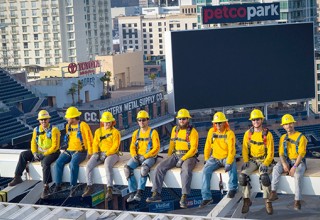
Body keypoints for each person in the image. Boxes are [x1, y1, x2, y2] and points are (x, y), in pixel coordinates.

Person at [146, 108, 199, 209]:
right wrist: (168, 157)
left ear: (188, 119)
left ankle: (184, 196)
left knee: (186, 171)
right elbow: (171, 144)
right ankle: (156, 193)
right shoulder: (175, 129)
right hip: (176, 155)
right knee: (159, 167)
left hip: (188, 156)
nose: (181, 121)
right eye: (180, 119)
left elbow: (193, 149)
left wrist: (183, 159)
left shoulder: (193, 132)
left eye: (183, 119)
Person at [8, 110, 61, 199]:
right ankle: (17, 177)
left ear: (48, 120)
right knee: (23, 154)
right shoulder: (36, 130)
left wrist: (44, 154)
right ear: (39, 121)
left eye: (45, 119)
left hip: (52, 153)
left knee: (45, 163)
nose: (43, 121)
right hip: (39, 152)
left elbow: (55, 146)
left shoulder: (54, 130)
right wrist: (34, 153)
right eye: (41, 120)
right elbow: (33, 143)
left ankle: (46, 187)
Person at [199, 112, 238, 208]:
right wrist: (206, 158)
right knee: (205, 171)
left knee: (232, 168)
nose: (218, 125)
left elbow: (231, 150)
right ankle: (206, 197)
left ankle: (233, 188)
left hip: (226, 157)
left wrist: (228, 162)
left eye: (220, 123)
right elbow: (207, 146)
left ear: (225, 123)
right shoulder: (211, 132)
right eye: (216, 123)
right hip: (215, 158)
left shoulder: (229, 133)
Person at [239, 109, 274, 215]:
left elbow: (271, 152)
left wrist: (266, 163)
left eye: (257, 119)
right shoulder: (248, 134)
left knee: (264, 177)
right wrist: (245, 160)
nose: (255, 122)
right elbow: (245, 149)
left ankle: (267, 201)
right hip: (252, 160)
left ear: (261, 120)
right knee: (242, 176)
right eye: (253, 120)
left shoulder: (267, 134)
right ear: (251, 121)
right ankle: (246, 200)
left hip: (264, 160)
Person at [269, 114, 307, 210]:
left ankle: (297, 201)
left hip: (299, 162)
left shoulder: (301, 137)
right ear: (283, 126)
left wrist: (294, 167)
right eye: (286, 124)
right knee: (276, 168)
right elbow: (281, 154)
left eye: (290, 123)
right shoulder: (283, 137)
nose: (288, 126)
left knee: (298, 175)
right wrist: (284, 164)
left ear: (293, 124)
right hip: (287, 160)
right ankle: (273, 192)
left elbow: (301, 154)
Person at [53, 106, 93, 197]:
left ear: (73, 117)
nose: (66, 118)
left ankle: (73, 186)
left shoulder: (83, 125)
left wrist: (90, 152)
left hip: (80, 151)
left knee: (73, 164)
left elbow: (89, 139)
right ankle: (58, 184)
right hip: (69, 150)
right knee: (58, 163)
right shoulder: (68, 126)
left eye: (68, 117)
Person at [82, 111, 121, 200]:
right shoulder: (98, 131)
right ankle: (90, 186)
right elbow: (95, 143)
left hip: (112, 154)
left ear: (112, 122)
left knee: (107, 165)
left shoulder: (115, 132)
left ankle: (109, 188)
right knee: (89, 166)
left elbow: (115, 146)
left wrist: (106, 154)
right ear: (102, 122)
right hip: (100, 153)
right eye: (105, 122)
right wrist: (96, 153)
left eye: (109, 122)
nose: (107, 124)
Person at [125, 110, 160, 202]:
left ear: (147, 120)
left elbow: (156, 148)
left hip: (150, 157)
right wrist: (134, 155)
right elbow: (132, 146)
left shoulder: (153, 132)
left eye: (143, 120)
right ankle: (132, 192)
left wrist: (145, 156)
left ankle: (139, 192)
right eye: (139, 120)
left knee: (144, 168)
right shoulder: (136, 133)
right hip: (138, 156)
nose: (141, 122)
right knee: (127, 168)